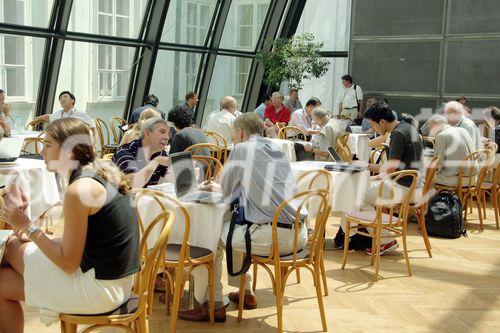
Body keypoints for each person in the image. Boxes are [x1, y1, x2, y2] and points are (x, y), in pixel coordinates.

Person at [0, 118, 140, 332]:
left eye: (48, 145)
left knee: (10, 246)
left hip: (100, 290)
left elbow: (68, 263)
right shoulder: (97, 174)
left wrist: (27, 226)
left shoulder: (79, 190)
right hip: (114, 281)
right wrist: (32, 234)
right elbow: (90, 242)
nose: (42, 151)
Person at [177, 113, 306, 322]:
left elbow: (226, 191)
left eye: (234, 134)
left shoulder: (241, 148)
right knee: (235, 225)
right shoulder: (277, 149)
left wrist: (215, 186)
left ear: (240, 132)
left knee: (212, 238)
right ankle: (246, 292)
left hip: (273, 236)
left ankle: (212, 303)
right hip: (298, 235)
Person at [339, 101, 423, 254]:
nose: (373, 128)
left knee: (360, 196)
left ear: (382, 122)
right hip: (413, 185)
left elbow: (390, 167)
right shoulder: (408, 127)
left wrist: (365, 165)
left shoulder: (398, 134)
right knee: (366, 188)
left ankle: (385, 240)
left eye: (374, 125)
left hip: (404, 187)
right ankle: (369, 236)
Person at [113, 117, 170, 188]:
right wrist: (155, 162)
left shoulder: (161, 153)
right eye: (162, 132)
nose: (167, 137)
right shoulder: (125, 151)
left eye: (168, 133)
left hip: (147, 196)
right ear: (147, 133)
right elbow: (132, 184)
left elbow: (161, 183)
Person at [31, 91, 97, 144]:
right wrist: (37, 119)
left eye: (65, 97)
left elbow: (94, 130)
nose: (62, 99)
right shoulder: (58, 114)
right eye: (60, 98)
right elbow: (48, 116)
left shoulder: (81, 114)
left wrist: (93, 145)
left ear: (72, 101)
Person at [427, 115, 475, 187]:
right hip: (472, 178)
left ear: (436, 124)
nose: (431, 132)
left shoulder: (442, 135)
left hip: (456, 180)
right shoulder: (463, 130)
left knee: (424, 179)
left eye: (430, 128)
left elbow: (438, 163)